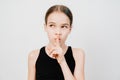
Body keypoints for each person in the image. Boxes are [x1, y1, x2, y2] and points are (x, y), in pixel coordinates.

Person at [28, 4, 85, 80]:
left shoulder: (78, 54)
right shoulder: (34, 56)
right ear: (45, 27)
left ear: (70, 29)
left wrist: (62, 61)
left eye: (64, 26)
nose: (58, 32)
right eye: (52, 25)